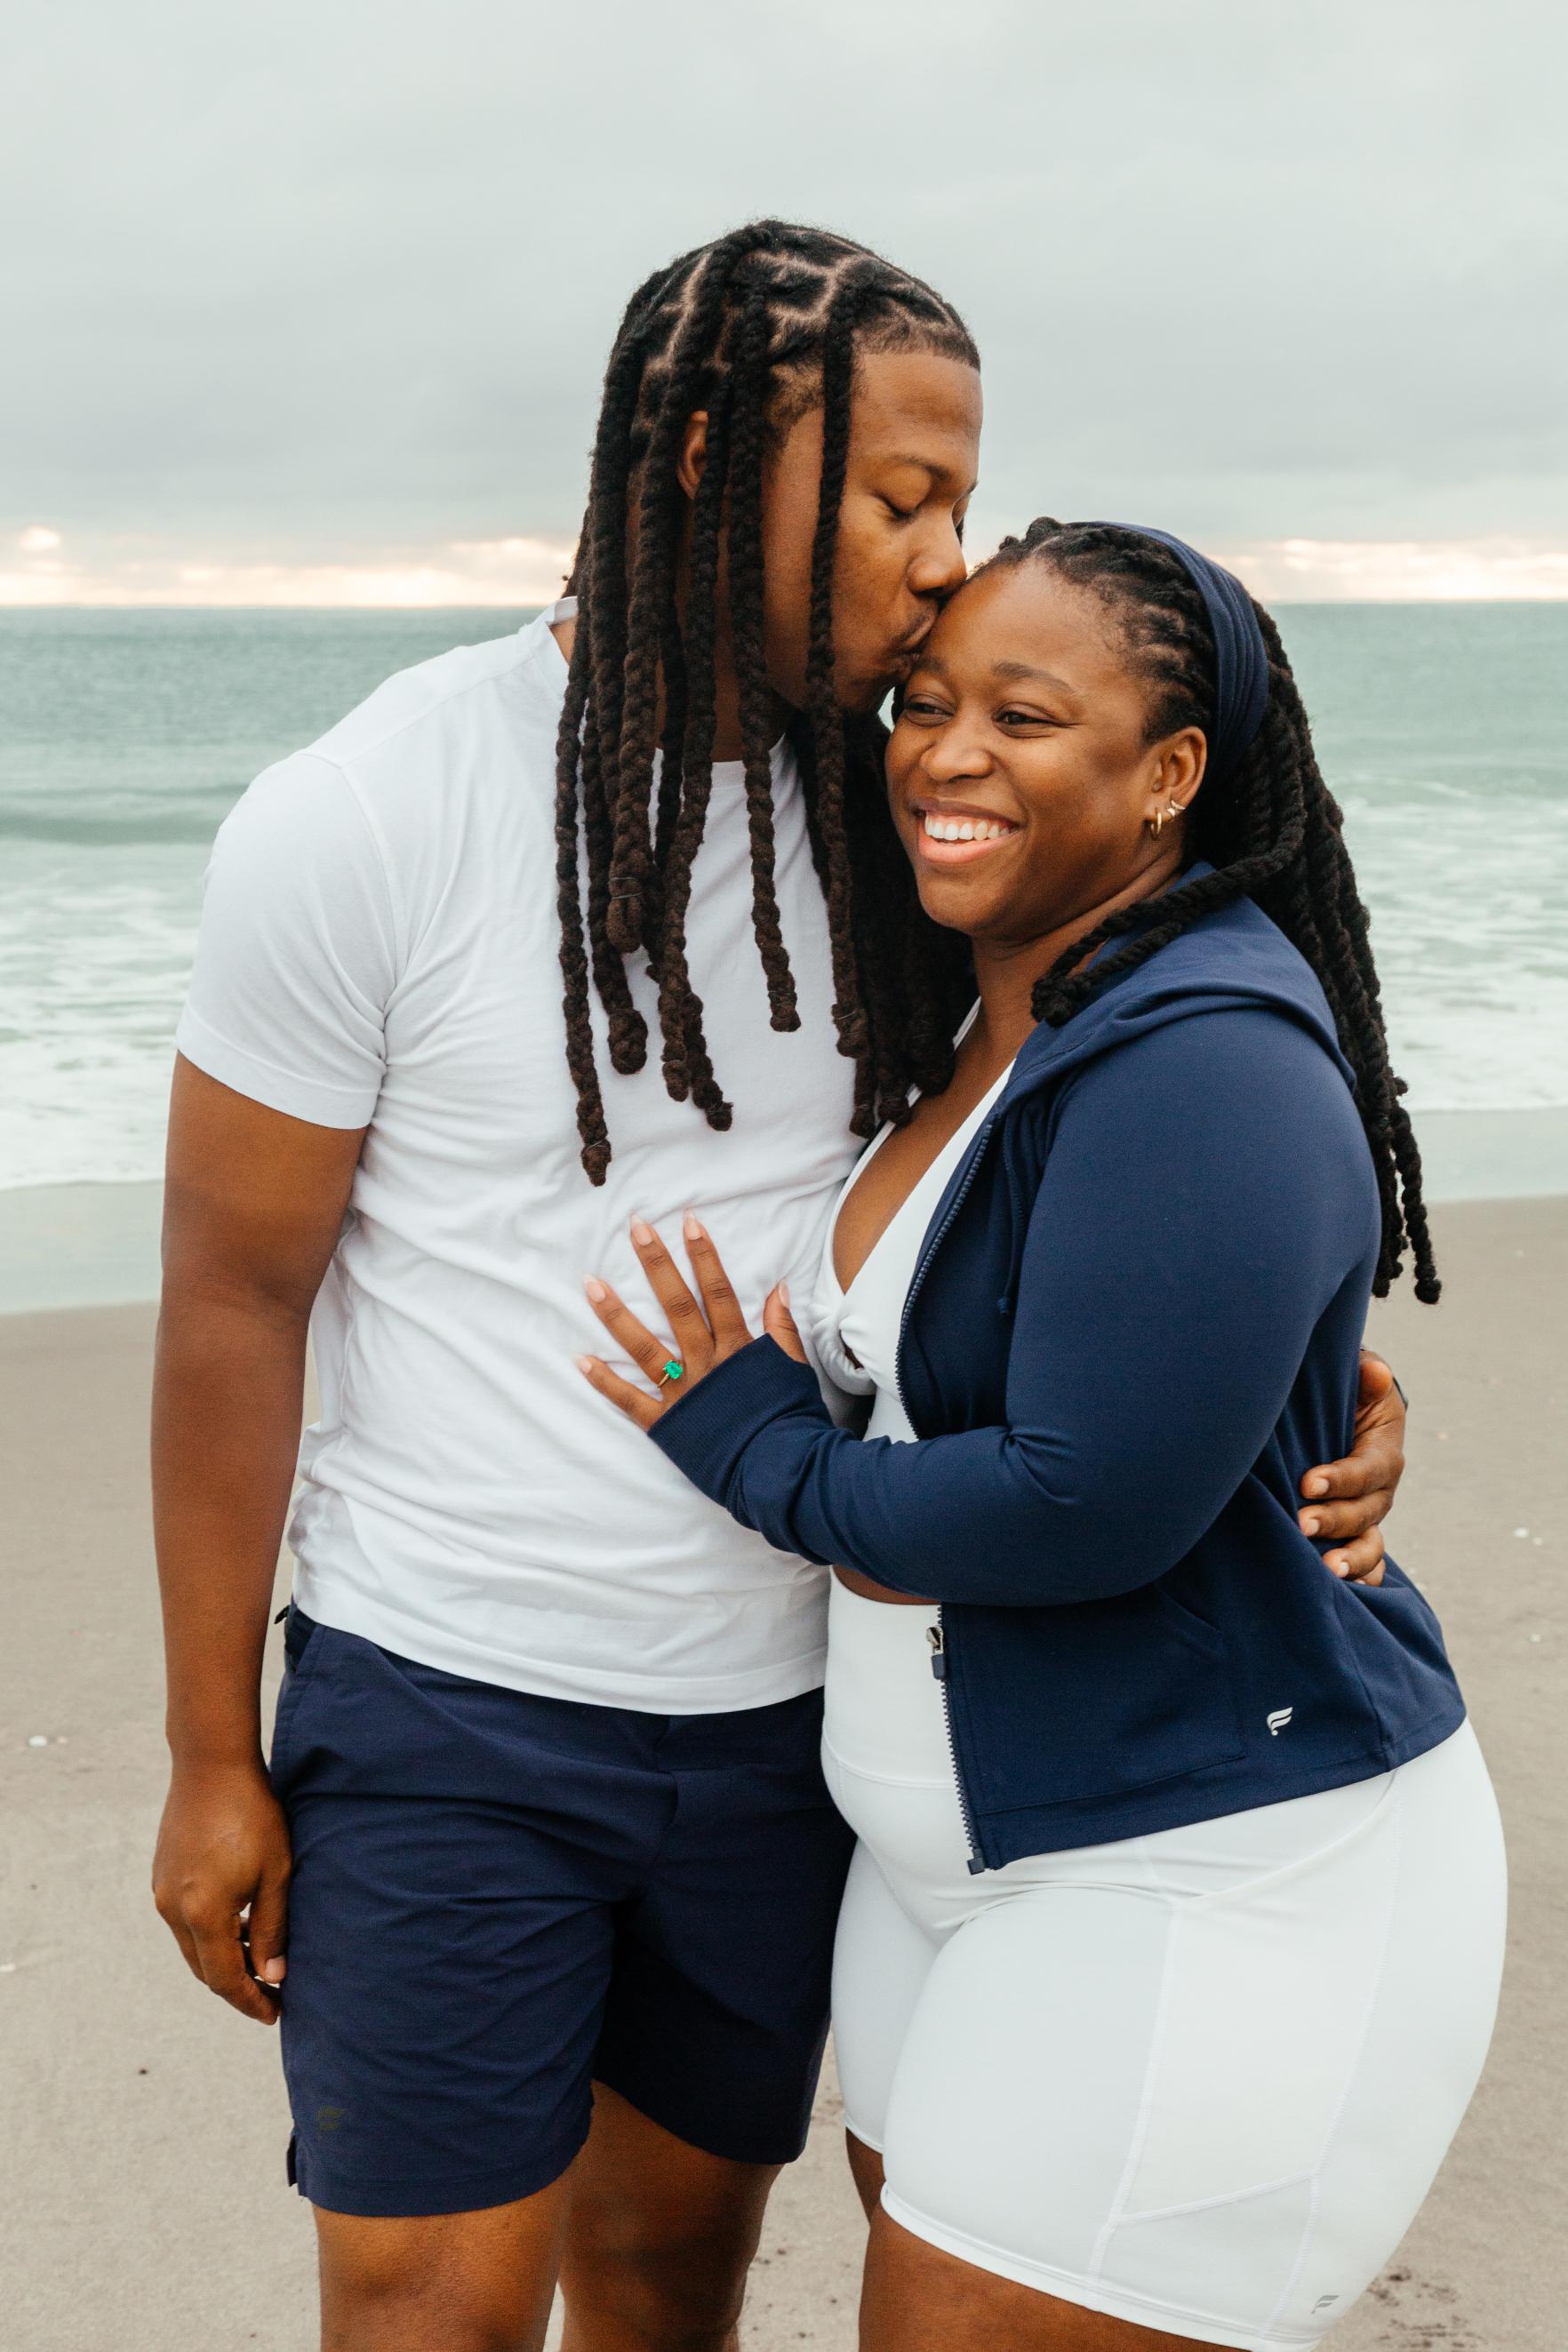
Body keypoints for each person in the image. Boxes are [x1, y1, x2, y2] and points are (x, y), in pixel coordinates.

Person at [150, 217, 1407, 2352]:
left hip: (789, 1710)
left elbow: (1103, 1146)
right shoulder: (366, 810)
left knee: (672, 2271)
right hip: (449, 1693)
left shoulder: (907, 812)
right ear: (716, 457)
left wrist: (1311, 1386)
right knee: (427, 2300)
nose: (944, 563)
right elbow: (228, 1302)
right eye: (903, 498)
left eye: (962, 502)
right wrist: (207, 1751)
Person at [578, 521, 1505, 2352]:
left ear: (1169, 775)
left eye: (1024, 712)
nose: (946, 750)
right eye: (923, 704)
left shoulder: (1207, 1051)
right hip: (959, 1878)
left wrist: (754, 1446)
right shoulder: (994, 1011)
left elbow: (1083, 1507)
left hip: (1212, 1871)